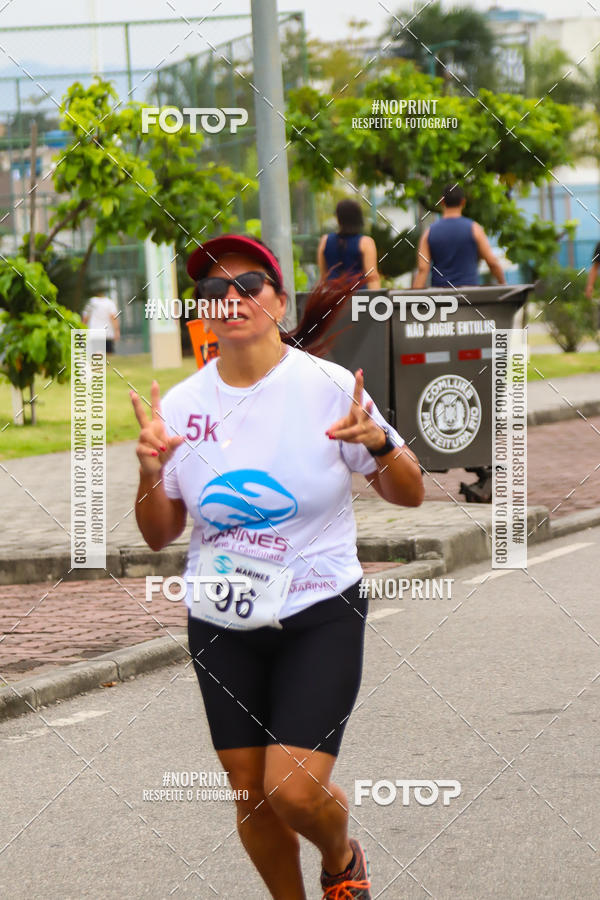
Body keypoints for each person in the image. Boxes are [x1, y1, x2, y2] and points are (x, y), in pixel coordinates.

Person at [131, 234, 424, 900]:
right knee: (252, 797)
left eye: (248, 287)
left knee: (291, 790)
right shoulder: (180, 406)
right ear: (198, 310)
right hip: (221, 614)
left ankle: (340, 858)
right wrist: (149, 471)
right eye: (213, 291)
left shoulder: (326, 388)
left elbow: (410, 491)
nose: (230, 301)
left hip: (320, 607)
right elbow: (159, 534)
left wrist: (378, 443)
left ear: (277, 299)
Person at [412, 184, 506, 289]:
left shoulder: (429, 232)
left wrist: (412, 301)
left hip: (441, 299)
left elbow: (422, 269)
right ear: (463, 202)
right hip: (470, 295)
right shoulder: (475, 229)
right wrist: (503, 285)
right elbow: (492, 262)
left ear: (442, 201)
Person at [318, 199, 381, 289]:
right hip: (360, 298)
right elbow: (372, 277)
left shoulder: (325, 241)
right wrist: (377, 301)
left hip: (334, 298)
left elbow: (323, 278)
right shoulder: (366, 243)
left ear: (338, 218)